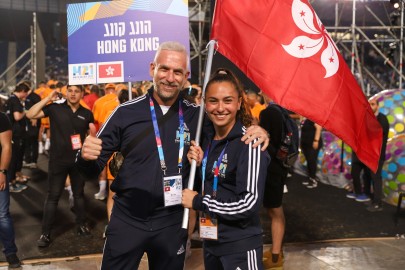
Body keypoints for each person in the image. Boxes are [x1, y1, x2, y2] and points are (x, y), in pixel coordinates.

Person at [77, 41, 269, 270]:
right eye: (164, 69)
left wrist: (259, 131)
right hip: (128, 219)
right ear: (152, 69)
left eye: (177, 72)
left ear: (185, 75)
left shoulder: (197, 116)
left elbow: (228, 123)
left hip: (172, 222)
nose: (170, 77)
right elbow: (92, 167)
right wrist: (84, 157)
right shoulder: (124, 113)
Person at [182, 68, 270, 270]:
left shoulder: (250, 143)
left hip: (239, 246)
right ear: (205, 102)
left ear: (239, 103)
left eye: (227, 100)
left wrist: (198, 201)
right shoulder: (207, 139)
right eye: (213, 101)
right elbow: (213, 184)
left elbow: (249, 204)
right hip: (211, 243)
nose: (220, 108)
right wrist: (195, 163)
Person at [26, 84, 94, 247]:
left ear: (82, 94)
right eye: (69, 91)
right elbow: (30, 114)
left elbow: (90, 137)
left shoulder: (87, 113)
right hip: (57, 161)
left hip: (78, 161)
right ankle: (45, 233)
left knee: (78, 195)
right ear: (65, 92)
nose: (72, 94)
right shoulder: (54, 108)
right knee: (53, 197)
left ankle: (81, 225)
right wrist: (48, 98)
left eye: (76, 91)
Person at [259, 103, 289, 269]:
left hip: (270, 167)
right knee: (276, 209)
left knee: (274, 210)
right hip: (280, 165)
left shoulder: (268, 113)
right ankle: (277, 251)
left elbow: (265, 141)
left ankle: (276, 257)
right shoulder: (281, 112)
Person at [348, 98, 389, 211]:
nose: (370, 106)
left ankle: (377, 203)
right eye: (369, 104)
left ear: (377, 106)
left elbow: (374, 134)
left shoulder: (382, 119)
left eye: (373, 104)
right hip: (368, 154)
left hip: (377, 155)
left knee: (376, 178)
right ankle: (367, 195)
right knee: (367, 175)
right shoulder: (368, 118)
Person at [0, 112, 22, 268]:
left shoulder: (1, 117)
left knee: (2, 214)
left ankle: (10, 252)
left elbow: (6, 146)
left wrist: (2, 172)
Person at [4, 83, 30, 192]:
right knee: (13, 159)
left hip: (11, 133)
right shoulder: (15, 101)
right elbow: (17, 116)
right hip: (15, 134)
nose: (26, 96)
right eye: (26, 94)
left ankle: (13, 181)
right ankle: (11, 184)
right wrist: (25, 111)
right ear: (23, 91)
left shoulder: (11, 99)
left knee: (13, 159)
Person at [300, 118, 323, 188]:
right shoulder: (306, 117)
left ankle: (313, 180)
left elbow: (319, 128)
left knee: (312, 161)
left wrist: (316, 140)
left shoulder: (314, 116)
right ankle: (310, 178)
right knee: (309, 161)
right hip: (306, 143)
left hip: (313, 143)